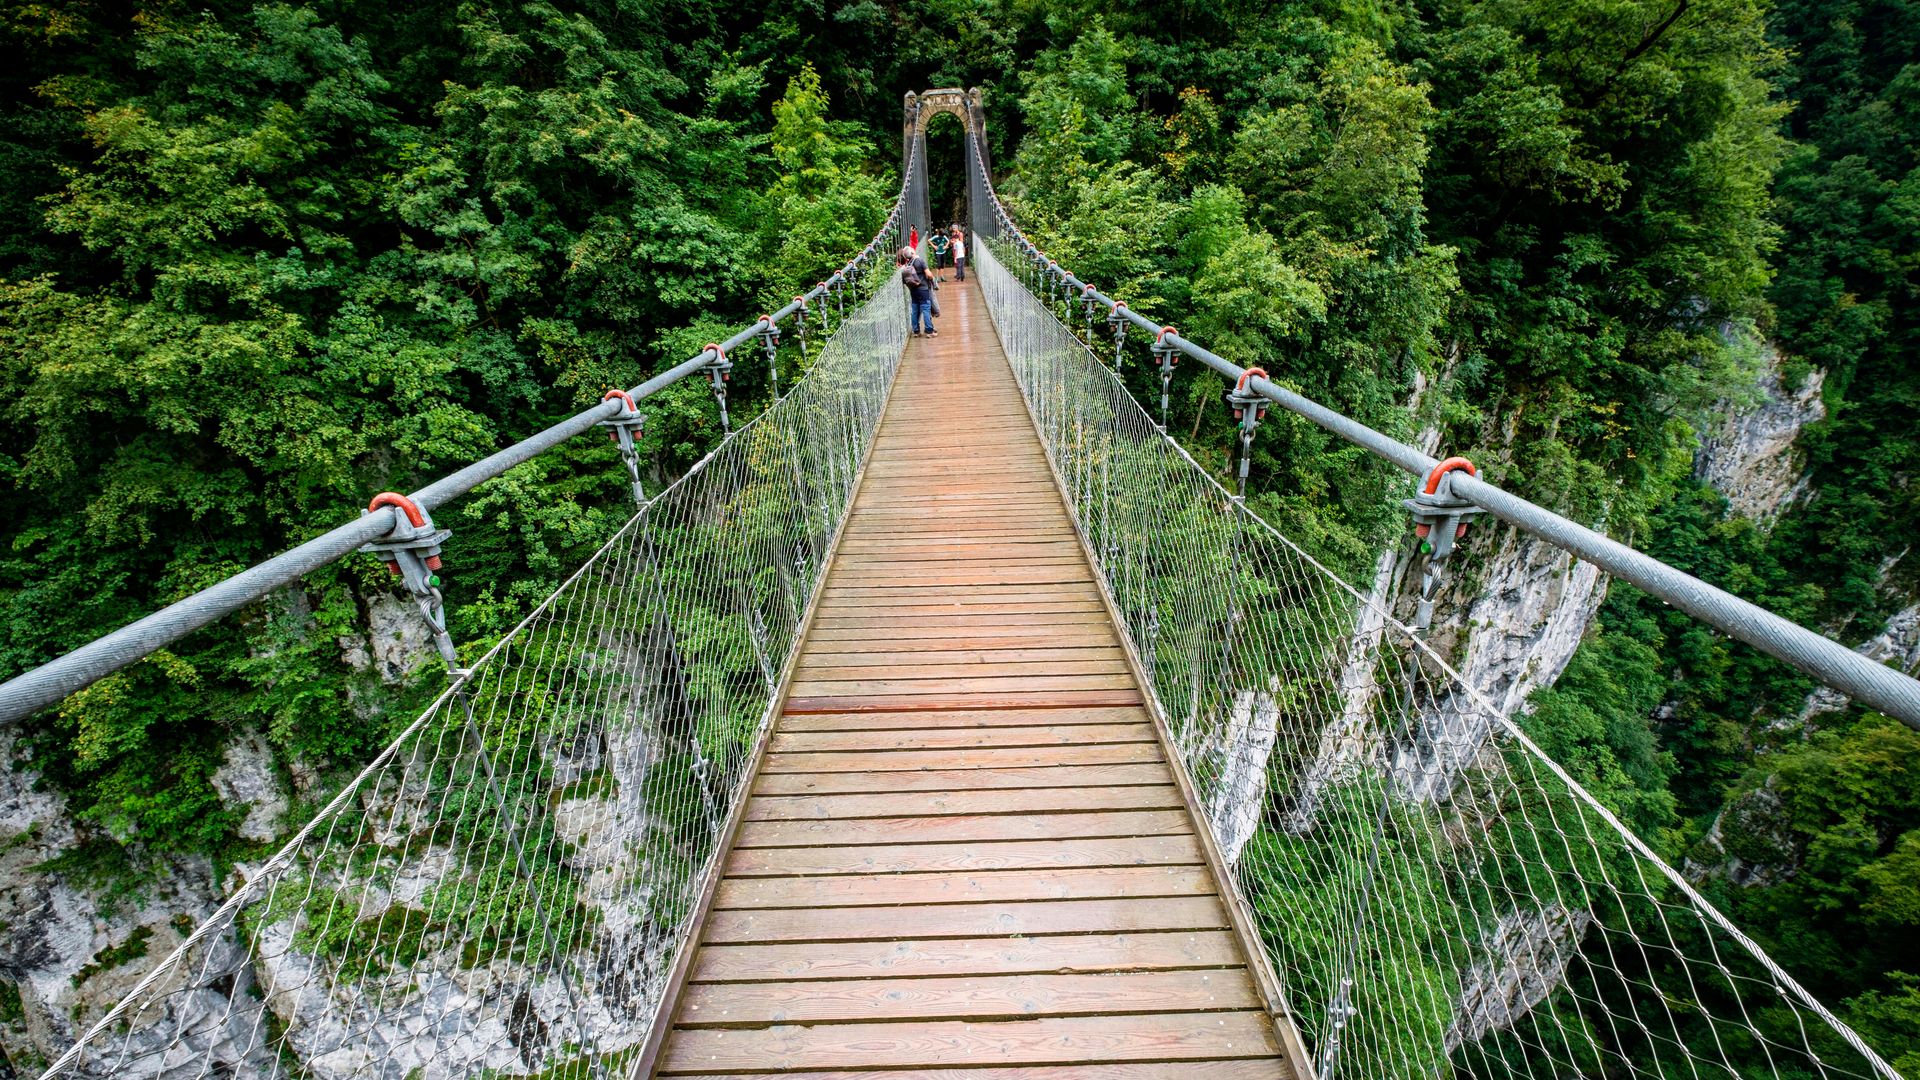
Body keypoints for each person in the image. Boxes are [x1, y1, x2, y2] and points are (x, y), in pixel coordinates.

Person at [899, 247, 935, 338]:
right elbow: (929, 274)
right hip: (923, 289)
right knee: (926, 309)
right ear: (912, 252)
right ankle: (929, 331)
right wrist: (931, 279)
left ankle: (916, 331)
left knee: (915, 310)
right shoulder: (920, 261)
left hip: (913, 290)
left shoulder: (908, 263)